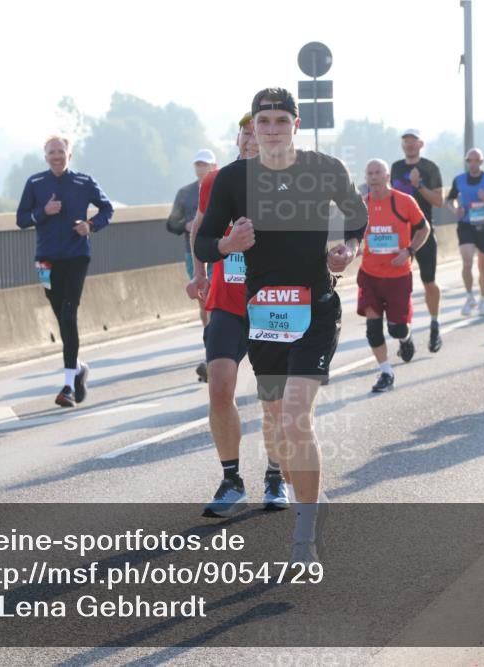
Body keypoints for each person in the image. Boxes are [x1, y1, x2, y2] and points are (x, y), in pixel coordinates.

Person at [196, 87, 368, 564]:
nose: (271, 130)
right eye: (263, 121)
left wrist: (348, 249)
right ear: (252, 127)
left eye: (280, 121)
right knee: (276, 424)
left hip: (315, 308)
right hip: (265, 315)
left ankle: (304, 538)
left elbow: (357, 216)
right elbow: (204, 242)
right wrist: (227, 244)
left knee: (295, 416)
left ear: (296, 125)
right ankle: (307, 497)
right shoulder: (233, 179)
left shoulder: (324, 169)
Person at [186, 113, 289, 516]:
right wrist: (199, 274)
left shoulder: (285, 180)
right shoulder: (216, 181)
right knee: (219, 386)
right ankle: (231, 480)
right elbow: (199, 229)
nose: (250, 139)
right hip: (227, 303)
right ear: (238, 139)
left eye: (257, 133)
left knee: (273, 399)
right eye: (245, 133)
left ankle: (275, 476)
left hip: (271, 304)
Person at [16, 135, 114, 407]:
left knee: (69, 314)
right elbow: (21, 219)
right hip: (45, 260)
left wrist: (90, 225)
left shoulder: (83, 182)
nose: (56, 156)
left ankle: (68, 386)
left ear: (69, 155)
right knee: (61, 317)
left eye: (61, 152)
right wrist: (43, 212)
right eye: (51, 152)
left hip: (76, 257)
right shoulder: (36, 183)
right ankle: (79, 368)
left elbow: (107, 209)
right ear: (45, 157)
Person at [358, 159, 430, 392]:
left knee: (397, 328)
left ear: (387, 176)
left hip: (398, 276)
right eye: (370, 173)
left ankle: (405, 338)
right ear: (366, 178)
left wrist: (409, 250)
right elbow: (354, 234)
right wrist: (354, 247)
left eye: (378, 172)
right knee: (372, 327)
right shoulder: (361, 205)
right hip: (370, 275)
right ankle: (386, 372)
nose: (374, 177)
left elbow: (424, 228)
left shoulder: (404, 201)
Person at [390, 130, 444, 352]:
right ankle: (405, 334)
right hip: (400, 234)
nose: (410, 145)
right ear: (402, 145)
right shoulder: (395, 167)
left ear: (420, 144)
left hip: (424, 232)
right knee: (400, 287)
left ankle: (434, 325)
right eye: (406, 141)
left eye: (413, 141)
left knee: (429, 282)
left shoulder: (430, 168)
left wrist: (419, 184)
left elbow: (439, 201)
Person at [168, 149, 218, 382]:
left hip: (219, 251)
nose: (201, 168)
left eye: (205, 164)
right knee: (204, 300)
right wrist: (186, 226)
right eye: (198, 164)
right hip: (193, 253)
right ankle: (210, 340)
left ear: (214, 166)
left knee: (216, 297)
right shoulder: (185, 193)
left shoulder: (221, 186)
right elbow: (171, 224)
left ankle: (215, 349)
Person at [447, 148, 484, 316]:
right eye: (469, 161)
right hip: (466, 224)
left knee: (483, 266)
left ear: (481, 162)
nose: (472, 164)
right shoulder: (459, 180)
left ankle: (483, 299)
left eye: (476, 160)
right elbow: (450, 199)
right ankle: (469, 297)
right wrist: (455, 209)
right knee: (467, 262)